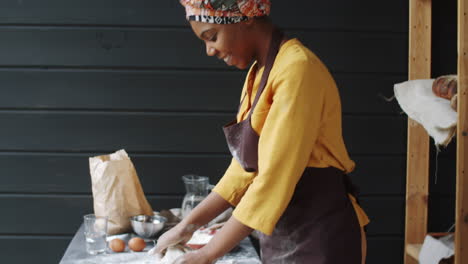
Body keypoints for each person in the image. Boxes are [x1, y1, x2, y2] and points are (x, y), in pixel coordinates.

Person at [152, 1, 370, 263]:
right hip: (283, 234)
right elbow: (243, 171)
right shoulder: (258, 73)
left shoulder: (297, 69)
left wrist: (208, 255)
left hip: (321, 238)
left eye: (212, 37)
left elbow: (273, 180)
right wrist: (186, 226)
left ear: (245, 17)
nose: (209, 50)